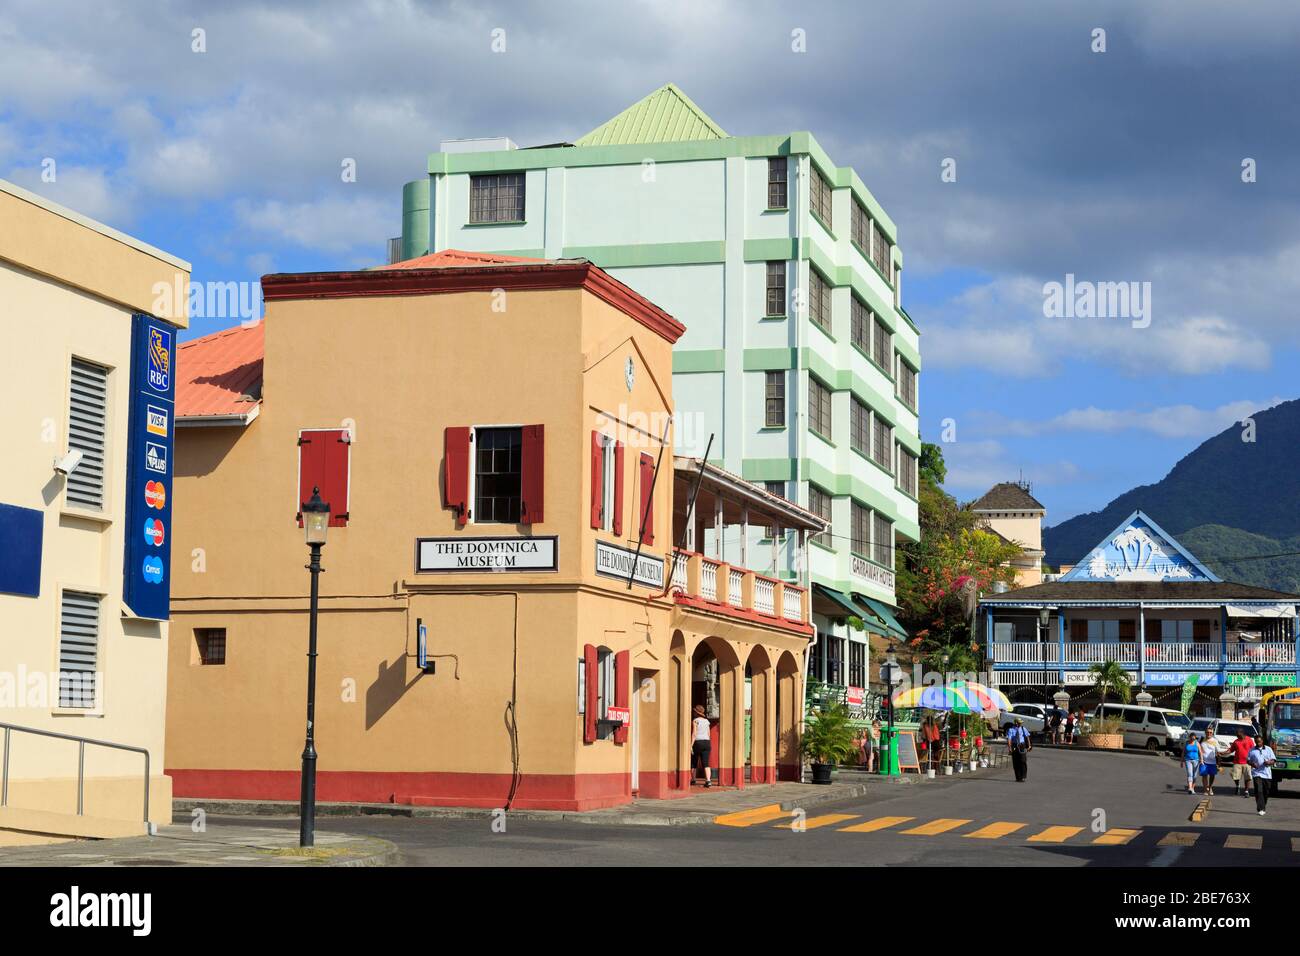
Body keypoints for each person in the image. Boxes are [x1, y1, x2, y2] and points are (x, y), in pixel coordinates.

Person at [1249, 735, 1276, 816]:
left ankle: (1263, 805)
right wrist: (1252, 764)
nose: (1258, 743)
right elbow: (1248, 760)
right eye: (1256, 742)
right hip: (1256, 773)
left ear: (1262, 741)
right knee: (1258, 790)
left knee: (1266, 792)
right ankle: (1260, 808)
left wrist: (1269, 762)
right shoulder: (1252, 750)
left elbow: (1273, 760)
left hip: (1267, 774)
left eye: (1259, 741)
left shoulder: (1268, 749)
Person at [1228, 726, 1254, 798]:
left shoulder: (1249, 740)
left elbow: (1253, 750)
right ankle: (1237, 785)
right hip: (1237, 762)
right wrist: (1223, 753)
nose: (1237, 735)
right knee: (1235, 777)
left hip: (1247, 762)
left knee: (1247, 777)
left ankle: (1246, 791)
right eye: (1236, 734)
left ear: (1242, 733)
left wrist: (1253, 761)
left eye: (1238, 734)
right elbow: (1231, 750)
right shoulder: (1236, 741)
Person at [691, 704, 712, 788]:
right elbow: (708, 734)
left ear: (696, 712)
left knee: (694, 762)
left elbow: (694, 733)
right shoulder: (707, 721)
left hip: (698, 742)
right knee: (706, 763)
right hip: (707, 742)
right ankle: (708, 781)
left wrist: (691, 745)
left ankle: (693, 779)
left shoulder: (695, 721)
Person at [1007, 717, 1031, 782]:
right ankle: (1018, 777)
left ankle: (1023, 776)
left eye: (1021, 723)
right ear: (1016, 723)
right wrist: (1009, 748)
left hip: (1022, 745)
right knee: (1015, 762)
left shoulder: (1023, 728)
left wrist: (1029, 745)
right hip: (1014, 745)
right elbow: (1009, 739)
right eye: (1019, 723)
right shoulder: (1011, 730)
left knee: (1023, 761)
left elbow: (1027, 736)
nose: (1020, 724)